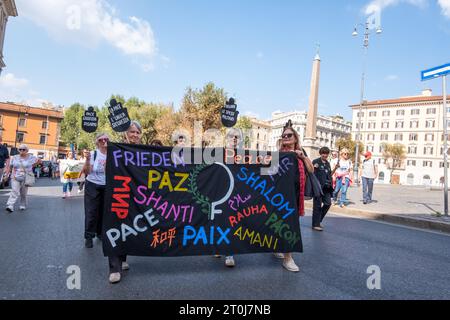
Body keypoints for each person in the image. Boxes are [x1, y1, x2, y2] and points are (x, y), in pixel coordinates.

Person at [107, 121, 143, 284]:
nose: (134, 135)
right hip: (119, 194)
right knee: (115, 225)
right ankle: (114, 268)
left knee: (129, 227)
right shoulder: (117, 149)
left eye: (137, 132)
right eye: (131, 132)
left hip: (138, 197)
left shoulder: (145, 151)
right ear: (125, 134)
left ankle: (123, 257)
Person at [278, 123, 314, 272]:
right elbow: (267, 173)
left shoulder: (300, 153)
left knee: (289, 224)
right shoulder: (278, 154)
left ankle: (285, 253)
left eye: (289, 135)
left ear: (295, 138)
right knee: (286, 224)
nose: (286, 137)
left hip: (295, 195)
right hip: (280, 196)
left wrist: (303, 157)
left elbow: (311, 171)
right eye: (284, 136)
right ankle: (287, 257)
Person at [81, 134, 109, 252]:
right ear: (97, 142)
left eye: (106, 139)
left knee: (103, 211)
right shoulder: (93, 154)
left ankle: (100, 233)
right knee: (91, 211)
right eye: (101, 139)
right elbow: (87, 171)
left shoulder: (112, 154)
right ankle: (89, 236)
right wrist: (87, 160)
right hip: (92, 185)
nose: (104, 141)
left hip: (106, 185)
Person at [5, 144, 39, 212]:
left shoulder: (31, 157)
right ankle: (10, 205)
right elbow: (10, 167)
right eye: (20, 149)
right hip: (15, 177)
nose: (22, 151)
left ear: (27, 150)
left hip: (25, 178)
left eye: (23, 149)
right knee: (14, 191)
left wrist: (32, 166)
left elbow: (39, 161)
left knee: (23, 193)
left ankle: (22, 204)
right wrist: (6, 175)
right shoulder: (15, 157)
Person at [312, 147, 338, 232]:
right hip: (318, 187)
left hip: (327, 187)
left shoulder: (327, 163)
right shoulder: (316, 162)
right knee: (317, 206)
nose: (325, 155)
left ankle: (318, 220)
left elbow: (329, 174)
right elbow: (311, 173)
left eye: (326, 153)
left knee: (328, 203)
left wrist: (335, 168)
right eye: (323, 153)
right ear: (320, 153)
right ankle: (315, 224)